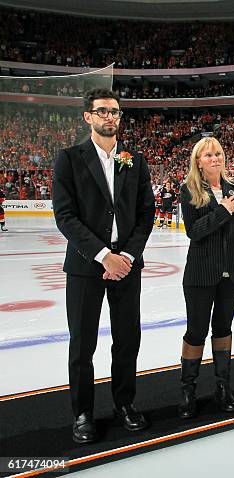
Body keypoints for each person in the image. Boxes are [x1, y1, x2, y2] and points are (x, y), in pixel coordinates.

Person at [52, 88, 155, 443]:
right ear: (88, 117)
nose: (109, 117)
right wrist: (103, 255)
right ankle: (82, 412)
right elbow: (65, 216)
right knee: (83, 343)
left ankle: (124, 404)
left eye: (115, 112)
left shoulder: (135, 160)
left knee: (127, 339)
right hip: (85, 267)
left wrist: (125, 256)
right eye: (102, 111)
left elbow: (146, 214)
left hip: (126, 267)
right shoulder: (69, 158)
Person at [178, 137, 234, 419]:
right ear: (198, 161)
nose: (215, 158)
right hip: (200, 274)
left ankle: (223, 388)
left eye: (218, 154)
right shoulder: (188, 190)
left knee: (223, 329)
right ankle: (188, 390)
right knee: (196, 331)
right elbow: (194, 231)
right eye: (208, 155)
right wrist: (223, 210)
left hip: (233, 274)